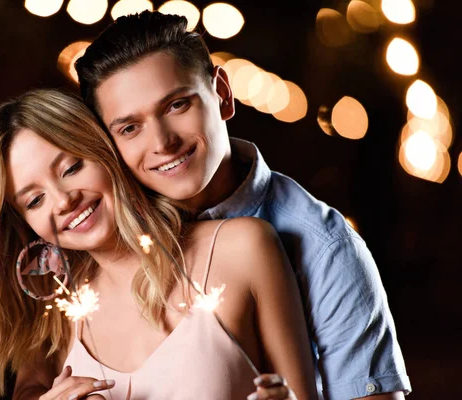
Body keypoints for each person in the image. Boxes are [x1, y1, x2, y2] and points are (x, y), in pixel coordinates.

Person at [75, 10, 411, 400]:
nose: (161, 142)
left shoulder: (323, 247)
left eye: (177, 105)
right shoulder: (98, 236)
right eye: (130, 128)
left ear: (222, 93)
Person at [0, 89, 318, 400]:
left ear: (106, 151)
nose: (63, 201)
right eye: (34, 200)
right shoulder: (54, 315)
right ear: (27, 224)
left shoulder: (243, 248)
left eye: (71, 168)